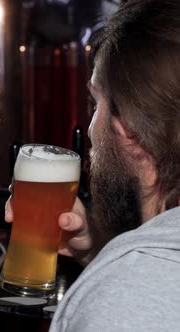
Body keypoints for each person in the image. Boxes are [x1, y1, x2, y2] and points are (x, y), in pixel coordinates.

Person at [13, 0, 180, 331]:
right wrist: (98, 250)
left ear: (128, 129)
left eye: (95, 103)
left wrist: (121, 270)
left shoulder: (125, 303)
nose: (89, 127)